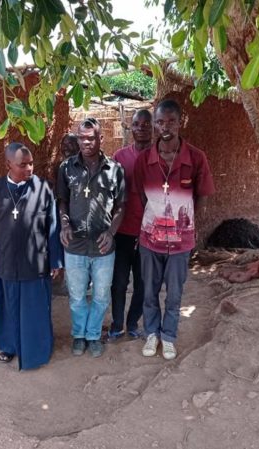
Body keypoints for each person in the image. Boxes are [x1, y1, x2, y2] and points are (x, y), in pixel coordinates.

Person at [134, 99, 215, 360]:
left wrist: (187, 223)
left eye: (170, 121)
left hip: (181, 242)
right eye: (160, 122)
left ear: (181, 123)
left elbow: (202, 196)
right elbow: (142, 196)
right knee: (149, 290)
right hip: (150, 240)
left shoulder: (196, 158)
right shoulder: (144, 160)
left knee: (175, 293)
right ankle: (152, 333)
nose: (165, 127)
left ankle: (168, 336)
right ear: (155, 125)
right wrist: (156, 218)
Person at [0, 142, 63, 370]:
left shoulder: (44, 188)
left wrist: (55, 259)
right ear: (8, 165)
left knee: (35, 310)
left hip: (36, 263)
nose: (29, 168)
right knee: (8, 308)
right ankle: (9, 346)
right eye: (23, 165)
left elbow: (53, 227)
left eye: (31, 163)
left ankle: (38, 351)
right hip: (6, 263)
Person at [57, 118, 126, 358]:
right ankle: (79, 335)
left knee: (101, 296)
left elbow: (121, 206)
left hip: (103, 247)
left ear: (100, 139)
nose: (85, 143)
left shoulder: (115, 170)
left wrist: (111, 232)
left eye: (91, 138)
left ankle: (94, 335)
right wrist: (64, 224)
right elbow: (62, 201)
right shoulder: (66, 168)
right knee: (77, 296)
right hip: (74, 246)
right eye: (81, 138)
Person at [105, 109, 153, 342]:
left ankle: (133, 323)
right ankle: (117, 325)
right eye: (136, 124)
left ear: (153, 128)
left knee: (143, 284)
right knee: (119, 282)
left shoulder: (160, 156)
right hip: (122, 232)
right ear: (130, 128)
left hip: (150, 233)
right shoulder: (119, 157)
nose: (141, 128)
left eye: (146, 124)